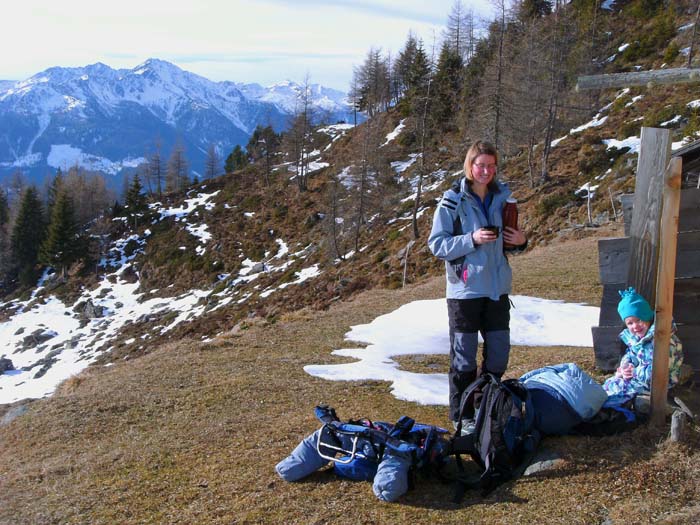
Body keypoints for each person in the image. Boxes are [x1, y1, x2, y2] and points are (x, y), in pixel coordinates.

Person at [427, 140, 527, 432]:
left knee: (498, 354)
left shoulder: (503, 198)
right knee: (464, 359)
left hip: (497, 289)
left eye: (490, 165)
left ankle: (487, 404)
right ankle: (463, 417)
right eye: (480, 165)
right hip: (465, 292)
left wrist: (521, 242)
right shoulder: (452, 200)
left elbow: (509, 244)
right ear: (469, 166)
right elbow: (437, 244)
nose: (485, 170)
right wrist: (471, 239)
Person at [603, 287, 684, 406]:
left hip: (661, 384)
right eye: (630, 323)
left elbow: (658, 372)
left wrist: (634, 372)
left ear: (647, 317)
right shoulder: (636, 339)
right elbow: (631, 354)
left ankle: (615, 410)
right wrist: (625, 368)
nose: (635, 326)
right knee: (610, 383)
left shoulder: (663, 341)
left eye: (639, 320)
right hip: (640, 378)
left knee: (617, 389)